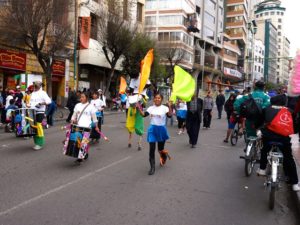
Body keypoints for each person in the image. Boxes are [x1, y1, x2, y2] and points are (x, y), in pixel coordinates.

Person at [257, 94, 300, 191]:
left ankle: (262, 169)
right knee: (289, 158)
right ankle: (294, 184)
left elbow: (260, 122)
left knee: (264, 150)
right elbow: (295, 125)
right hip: (284, 139)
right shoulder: (290, 111)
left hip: (268, 137)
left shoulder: (267, 109)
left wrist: (258, 129)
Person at [137, 93, 172, 175]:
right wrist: (138, 107)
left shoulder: (165, 108)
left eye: (159, 98)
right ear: (154, 99)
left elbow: (170, 116)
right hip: (152, 129)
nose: (157, 99)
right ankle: (152, 168)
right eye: (155, 98)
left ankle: (164, 156)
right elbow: (144, 115)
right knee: (151, 149)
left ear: (161, 99)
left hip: (161, 130)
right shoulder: (151, 108)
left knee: (160, 149)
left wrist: (170, 106)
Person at [71, 92, 99, 163]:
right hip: (78, 126)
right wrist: (72, 120)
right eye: (81, 97)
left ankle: (81, 157)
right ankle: (81, 155)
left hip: (87, 127)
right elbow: (74, 115)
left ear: (86, 98)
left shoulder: (91, 106)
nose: (81, 98)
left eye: (83, 97)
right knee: (78, 142)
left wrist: (96, 126)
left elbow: (94, 118)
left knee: (84, 143)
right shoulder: (77, 105)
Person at [28, 81, 51, 150]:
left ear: (40, 86)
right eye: (34, 85)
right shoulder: (32, 94)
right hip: (32, 111)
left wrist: (41, 103)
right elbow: (30, 102)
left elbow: (49, 101)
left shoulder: (43, 93)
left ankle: (40, 143)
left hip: (40, 112)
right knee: (33, 127)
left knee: (38, 126)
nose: (34, 87)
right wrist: (28, 105)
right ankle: (36, 142)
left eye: (36, 85)